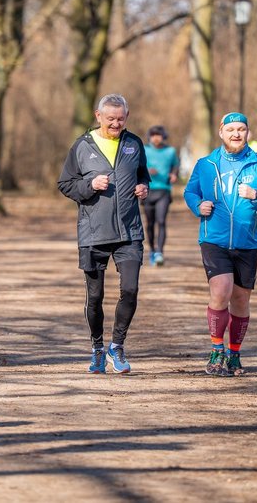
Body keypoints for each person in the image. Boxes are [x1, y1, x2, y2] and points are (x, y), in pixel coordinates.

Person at [184, 112, 257, 377]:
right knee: (221, 291)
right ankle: (217, 350)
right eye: (231, 130)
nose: (236, 134)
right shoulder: (206, 164)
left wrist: (256, 195)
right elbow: (190, 191)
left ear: (247, 132)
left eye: (241, 129)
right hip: (213, 239)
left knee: (240, 299)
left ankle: (235, 354)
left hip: (247, 242)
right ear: (221, 132)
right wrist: (197, 205)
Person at [58, 93, 149, 374]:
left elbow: (143, 174)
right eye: (110, 119)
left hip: (129, 230)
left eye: (120, 119)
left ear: (127, 116)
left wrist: (143, 186)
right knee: (95, 297)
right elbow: (65, 184)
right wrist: (89, 185)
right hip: (94, 233)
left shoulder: (134, 143)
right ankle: (97, 347)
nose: (116, 124)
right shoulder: (82, 146)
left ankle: (116, 346)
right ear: (98, 116)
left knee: (130, 290)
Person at [143, 125, 180, 266]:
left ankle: (160, 252)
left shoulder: (170, 151)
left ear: (163, 136)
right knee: (150, 223)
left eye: (158, 135)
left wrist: (174, 174)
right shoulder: (144, 150)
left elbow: (176, 165)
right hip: (148, 190)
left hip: (163, 190)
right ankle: (152, 250)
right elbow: (136, 166)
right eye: (153, 135)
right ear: (149, 137)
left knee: (161, 221)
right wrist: (146, 171)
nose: (156, 138)